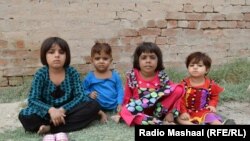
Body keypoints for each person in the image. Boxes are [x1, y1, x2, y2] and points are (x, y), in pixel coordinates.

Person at [18, 37, 101, 136]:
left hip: (68, 112)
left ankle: (50, 128)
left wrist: (62, 109)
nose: (57, 55)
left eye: (61, 52)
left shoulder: (72, 72)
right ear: (45, 55)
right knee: (25, 115)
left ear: (67, 56)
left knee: (93, 105)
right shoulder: (41, 74)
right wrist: (51, 110)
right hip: (46, 114)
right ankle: (60, 125)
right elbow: (33, 99)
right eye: (51, 52)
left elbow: (80, 96)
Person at [119, 42, 184, 126]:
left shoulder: (162, 76)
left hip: (158, 111)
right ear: (138, 60)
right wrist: (123, 111)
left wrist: (171, 113)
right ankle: (160, 123)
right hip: (139, 110)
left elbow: (173, 96)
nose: (148, 61)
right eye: (144, 58)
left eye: (152, 58)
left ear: (158, 60)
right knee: (125, 111)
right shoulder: (132, 75)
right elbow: (127, 97)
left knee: (179, 89)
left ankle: (156, 118)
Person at [177, 51, 228, 125]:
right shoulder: (183, 84)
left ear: (206, 69)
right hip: (187, 111)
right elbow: (180, 99)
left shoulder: (210, 84)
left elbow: (214, 96)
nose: (195, 67)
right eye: (191, 65)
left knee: (212, 118)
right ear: (187, 68)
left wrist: (212, 105)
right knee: (179, 119)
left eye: (200, 66)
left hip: (204, 111)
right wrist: (183, 112)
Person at [82, 42, 124, 123]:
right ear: (92, 60)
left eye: (105, 58)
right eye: (97, 58)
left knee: (128, 106)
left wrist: (120, 103)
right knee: (85, 104)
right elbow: (83, 89)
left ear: (110, 60)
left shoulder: (115, 75)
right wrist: (89, 94)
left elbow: (120, 90)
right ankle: (99, 114)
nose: (101, 61)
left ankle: (120, 115)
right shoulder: (90, 77)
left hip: (114, 105)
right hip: (98, 106)